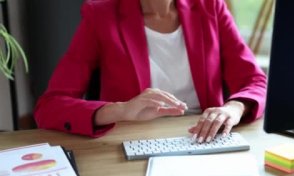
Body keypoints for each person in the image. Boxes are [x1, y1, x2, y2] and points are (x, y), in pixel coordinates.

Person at [34, 0, 267, 143]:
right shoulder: (100, 15)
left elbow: (256, 81)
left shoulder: (211, 7)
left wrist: (234, 108)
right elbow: (50, 107)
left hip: (205, 139)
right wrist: (121, 110)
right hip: (131, 143)